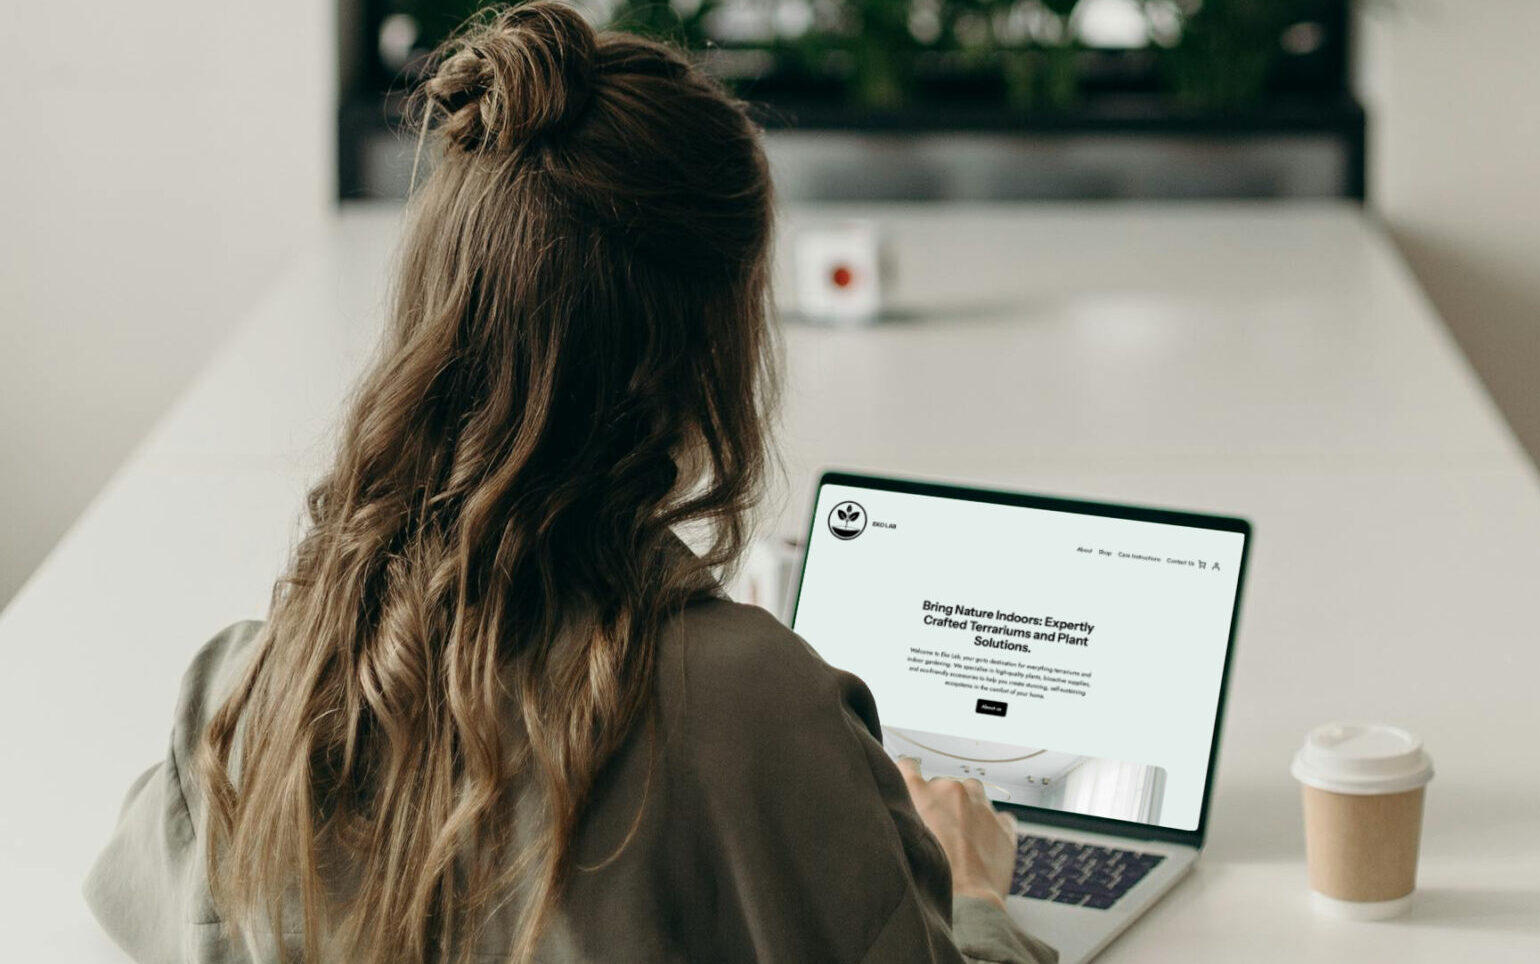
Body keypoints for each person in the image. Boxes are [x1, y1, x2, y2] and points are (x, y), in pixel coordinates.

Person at [83, 3, 1057, 962]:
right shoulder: (761, 717)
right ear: (711, 354)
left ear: (434, 312)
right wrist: (971, 893)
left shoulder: (248, 698)